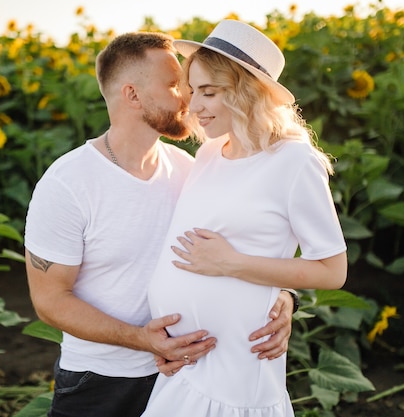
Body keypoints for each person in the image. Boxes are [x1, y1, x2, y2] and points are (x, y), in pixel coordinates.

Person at [24, 30, 298, 417]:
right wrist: (141, 340)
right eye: (174, 85)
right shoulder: (67, 184)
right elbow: (50, 301)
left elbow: (243, 249)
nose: (189, 96)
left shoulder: (194, 168)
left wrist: (283, 298)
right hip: (102, 381)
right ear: (132, 95)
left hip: (192, 373)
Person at [142, 20, 348, 417]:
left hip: (237, 364)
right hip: (187, 364)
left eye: (209, 92)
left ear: (247, 92)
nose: (194, 106)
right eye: (192, 91)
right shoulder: (208, 155)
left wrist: (232, 264)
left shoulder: (293, 161)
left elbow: (332, 270)